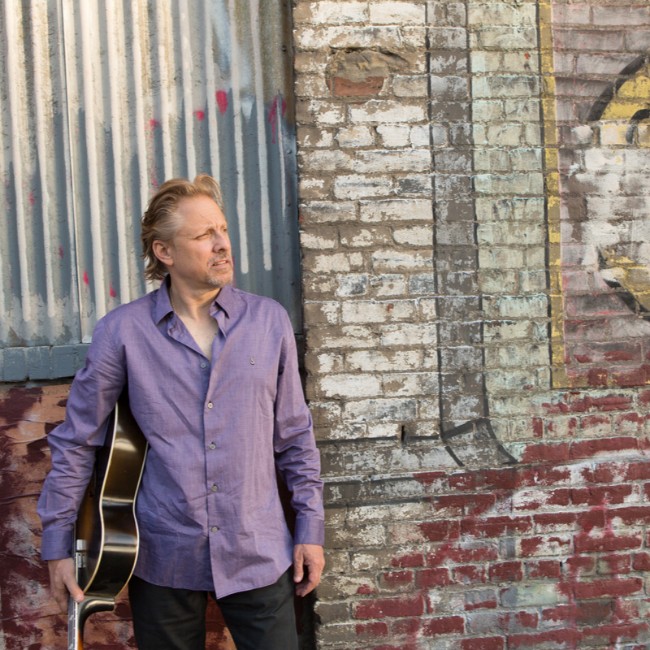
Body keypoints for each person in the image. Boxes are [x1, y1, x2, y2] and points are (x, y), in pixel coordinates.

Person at [37, 174, 325, 649]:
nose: (222, 245)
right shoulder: (122, 333)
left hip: (259, 549)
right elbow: (76, 440)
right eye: (202, 235)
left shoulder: (268, 321)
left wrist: (310, 528)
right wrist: (59, 545)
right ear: (164, 252)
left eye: (224, 230)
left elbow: (294, 437)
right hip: (164, 554)